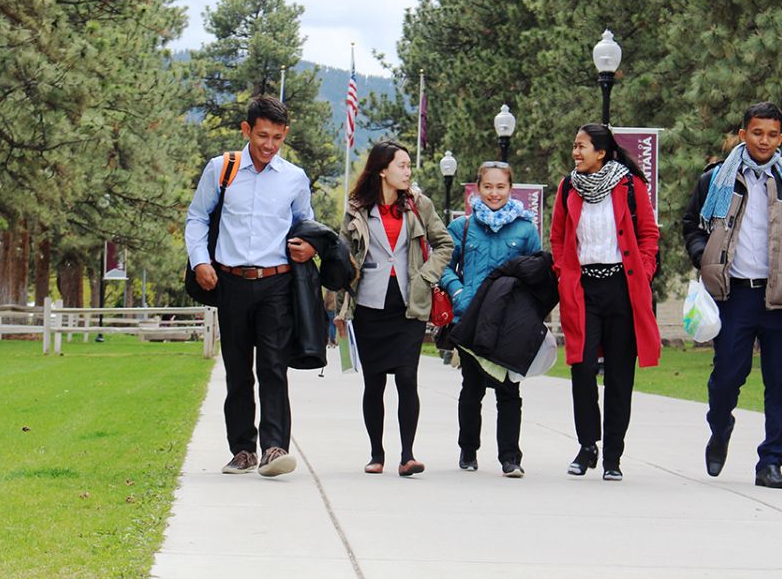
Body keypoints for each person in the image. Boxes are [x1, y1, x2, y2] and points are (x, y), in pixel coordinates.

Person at [683, 101, 782, 490]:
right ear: (743, 134)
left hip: (781, 297)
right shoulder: (716, 180)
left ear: (781, 137)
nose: (764, 140)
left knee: (780, 384)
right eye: (757, 133)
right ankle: (721, 424)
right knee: (727, 377)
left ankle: (772, 462)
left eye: (772, 134)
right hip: (734, 297)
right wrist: (704, 257)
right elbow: (691, 225)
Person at [185, 96, 317, 478]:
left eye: (277, 137)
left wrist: (309, 246)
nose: (269, 145)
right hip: (229, 281)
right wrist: (200, 262)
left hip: (276, 282)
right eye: (262, 135)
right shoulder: (221, 170)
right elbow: (197, 218)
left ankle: (275, 448)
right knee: (238, 370)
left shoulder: (294, 178)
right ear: (246, 131)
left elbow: (304, 225)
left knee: (274, 366)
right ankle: (242, 449)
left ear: (285, 135)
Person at [334, 140, 453, 476]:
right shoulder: (357, 209)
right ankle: (376, 454)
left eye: (408, 166)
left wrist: (426, 275)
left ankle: (407, 455)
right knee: (374, 382)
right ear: (382, 170)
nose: (407, 171)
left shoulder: (419, 205)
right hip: (369, 305)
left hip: (408, 304)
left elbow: (445, 243)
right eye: (401, 165)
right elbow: (343, 254)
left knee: (406, 377)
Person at [550, 123, 661, 482]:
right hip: (583, 289)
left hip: (623, 288)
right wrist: (561, 272)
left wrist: (643, 271)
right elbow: (557, 236)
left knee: (618, 373)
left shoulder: (630, 186)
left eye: (582, 146)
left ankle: (613, 454)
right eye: (574, 146)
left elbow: (648, 234)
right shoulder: (568, 186)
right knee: (581, 368)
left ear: (602, 151)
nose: (575, 152)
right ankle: (587, 446)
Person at [440, 161, 541, 477]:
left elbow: (537, 271)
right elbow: (443, 264)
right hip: (470, 318)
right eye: (488, 187)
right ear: (477, 188)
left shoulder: (525, 228)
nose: (494, 193)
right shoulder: (462, 227)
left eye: (500, 187)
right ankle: (468, 450)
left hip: (508, 322)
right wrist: (457, 293)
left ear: (511, 189)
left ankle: (510, 457)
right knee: (472, 387)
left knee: (509, 389)